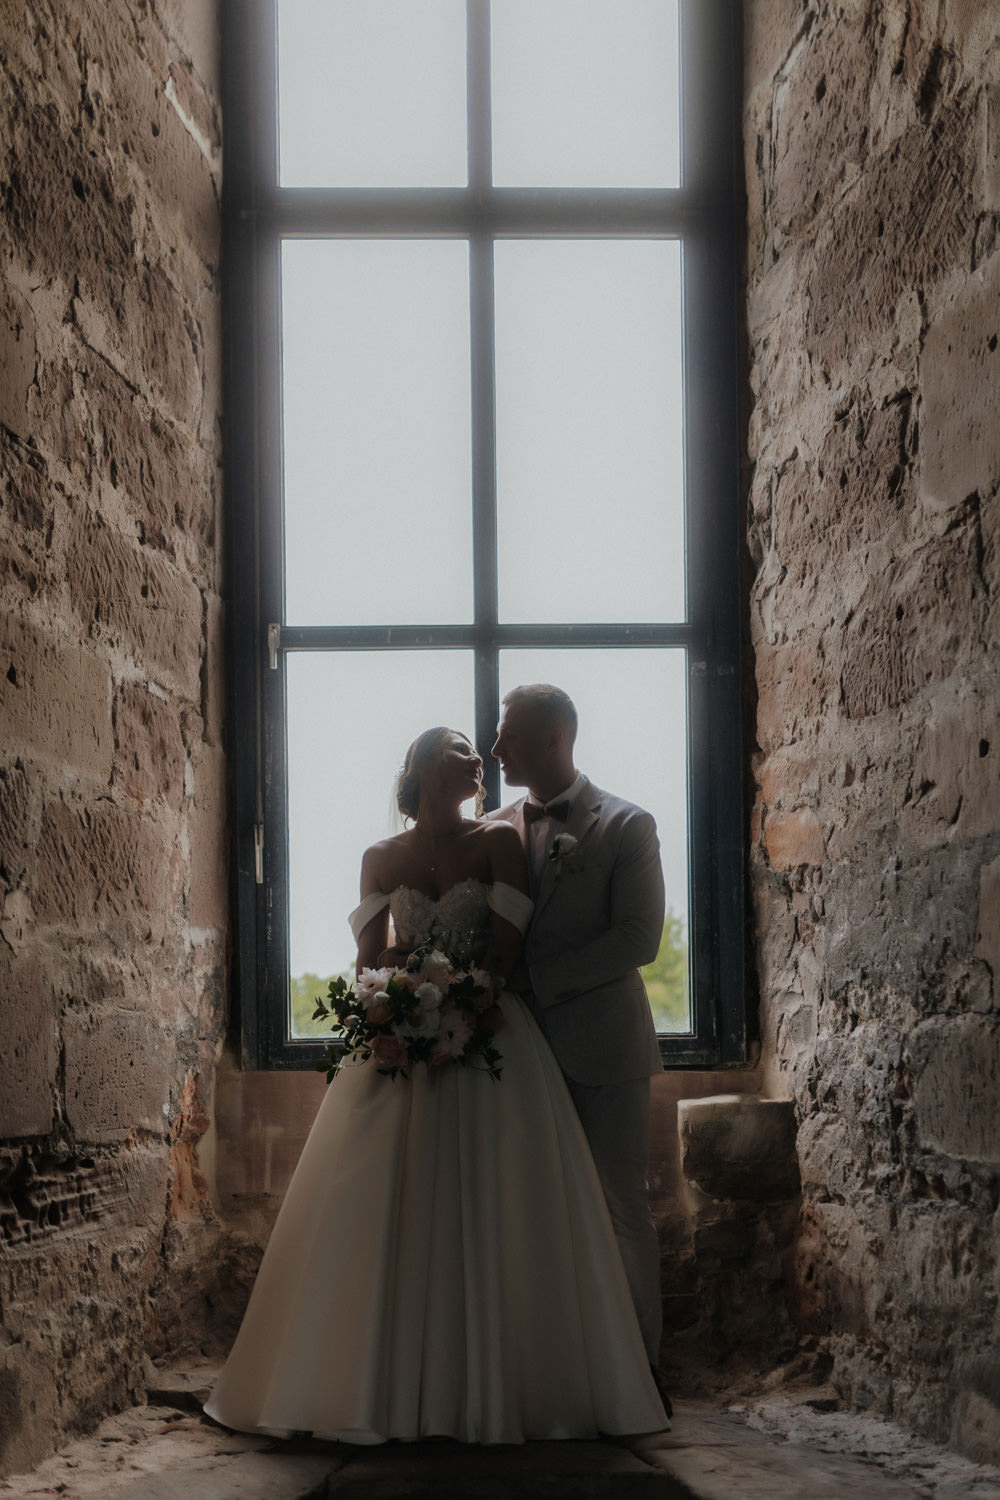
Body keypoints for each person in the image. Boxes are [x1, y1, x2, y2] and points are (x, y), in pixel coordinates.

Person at [204, 725, 667, 1445]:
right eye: (458, 746)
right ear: (420, 764)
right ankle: (373, 1387)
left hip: (491, 1029)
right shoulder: (379, 856)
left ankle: (506, 1382)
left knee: (502, 1199)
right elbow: (368, 956)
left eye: (477, 752)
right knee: (385, 1200)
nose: (477, 756)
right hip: (404, 1039)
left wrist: (463, 998)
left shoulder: (500, 842)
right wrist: (394, 999)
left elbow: (508, 953)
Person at [489, 685, 667, 1401]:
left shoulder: (627, 825)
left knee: (622, 1207)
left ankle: (640, 1376)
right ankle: (551, 1376)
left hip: (606, 1046)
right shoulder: (494, 828)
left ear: (557, 737)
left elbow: (639, 938)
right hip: (517, 1053)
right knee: (530, 1211)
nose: (498, 749)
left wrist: (534, 980)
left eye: (511, 737)